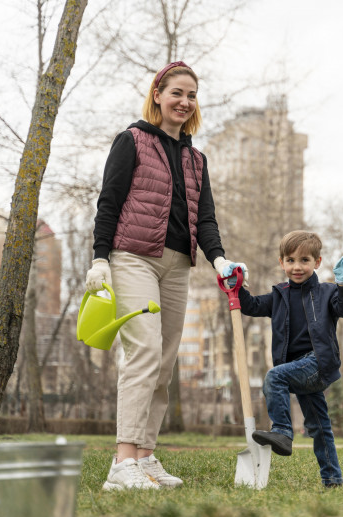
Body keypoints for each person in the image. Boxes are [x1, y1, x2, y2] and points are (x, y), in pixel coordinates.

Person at [86, 61, 247, 490]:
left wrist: (219, 261)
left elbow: (206, 219)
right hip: (133, 257)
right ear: (157, 94)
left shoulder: (196, 159)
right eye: (177, 92)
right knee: (144, 352)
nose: (184, 101)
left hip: (178, 265)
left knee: (165, 361)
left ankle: (146, 456)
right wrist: (100, 258)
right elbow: (109, 202)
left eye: (191, 95)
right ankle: (122, 464)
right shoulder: (132, 141)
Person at [235, 231, 343, 488]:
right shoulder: (279, 295)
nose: (297, 266)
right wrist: (238, 284)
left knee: (275, 375)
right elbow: (250, 306)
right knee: (318, 426)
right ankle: (332, 479)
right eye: (290, 260)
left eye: (304, 260)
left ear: (317, 262)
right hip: (297, 370)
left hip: (318, 363)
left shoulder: (327, 292)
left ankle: (282, 431)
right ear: (281, 263)